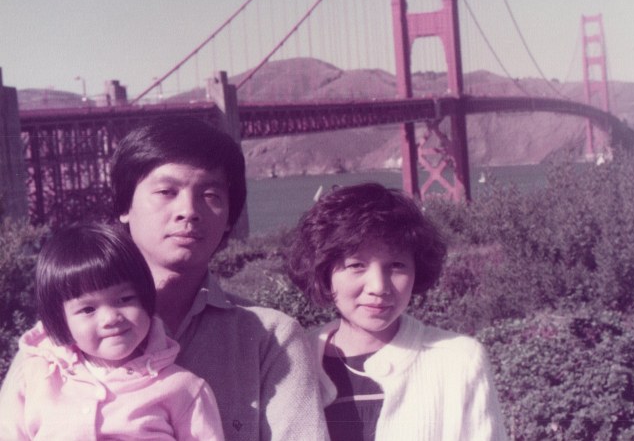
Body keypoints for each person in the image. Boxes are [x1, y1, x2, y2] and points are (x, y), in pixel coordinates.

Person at [1, 116, 328, 441]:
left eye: (211, 195)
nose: (189, 211)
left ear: (230, 217)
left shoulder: (270, 339)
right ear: (124, 206)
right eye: (166, 192)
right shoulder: (50, 348)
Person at [288, 182, 508, 441]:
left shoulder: (460, 361)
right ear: (324, 272)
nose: (379, 287)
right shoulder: (290, 363)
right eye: (357, 265)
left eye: (396, 265)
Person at [0, 222, 224, 440]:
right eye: (88, 309)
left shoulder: (183, 388)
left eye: (124, 299)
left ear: (146, 298)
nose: (110, 318)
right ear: (60, 319)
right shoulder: (35, 376)